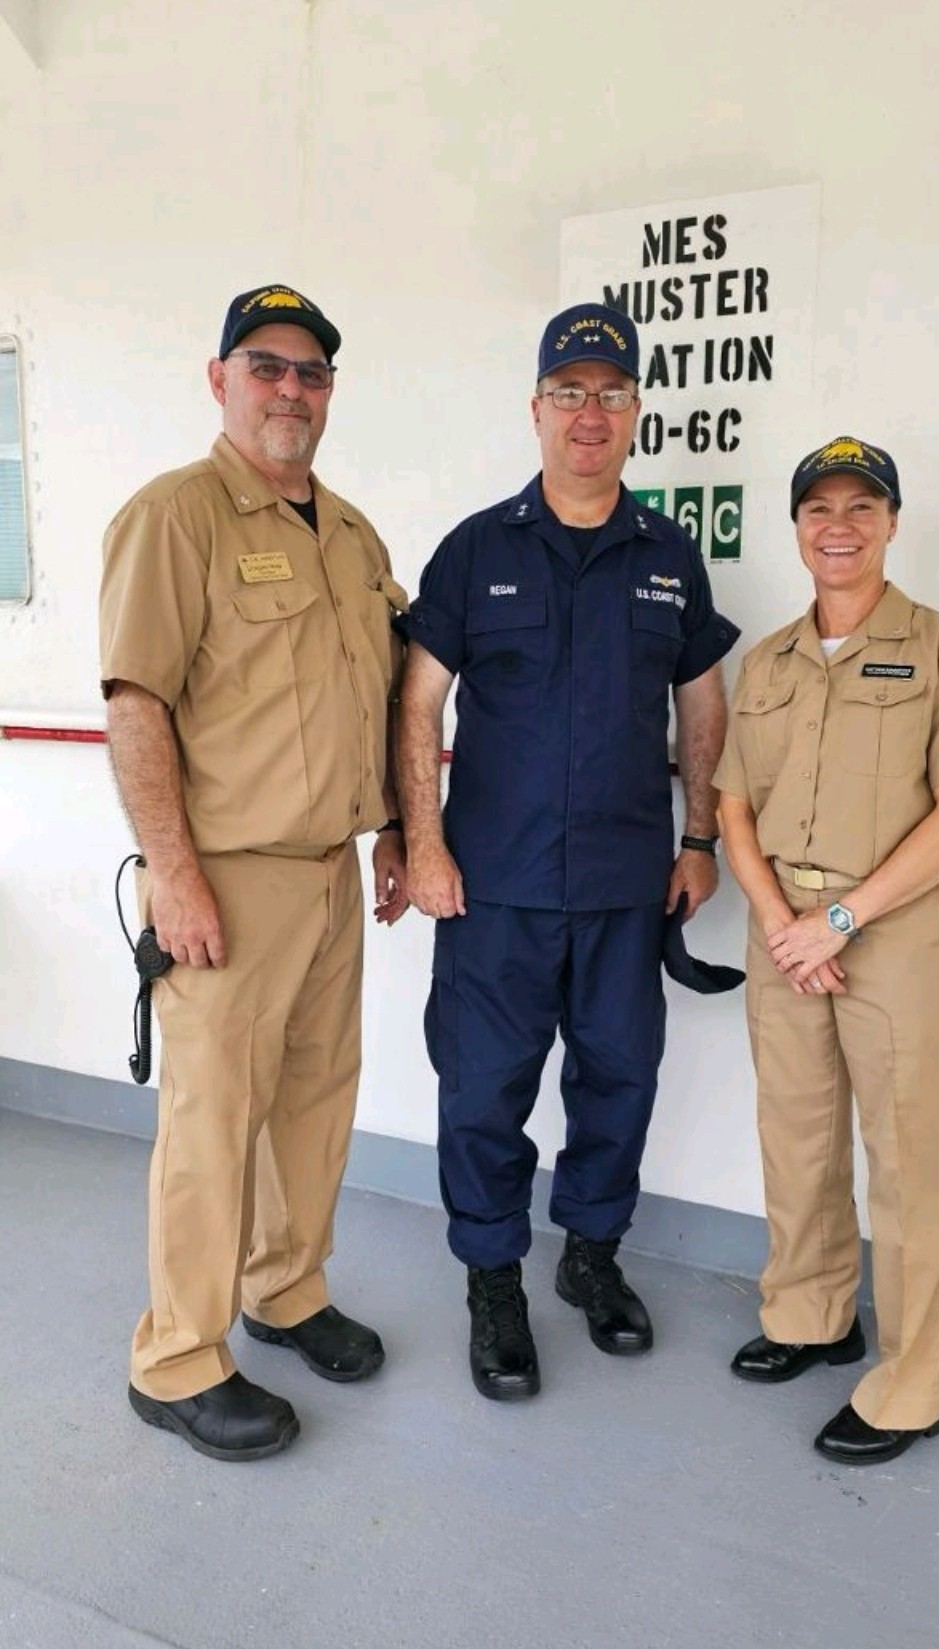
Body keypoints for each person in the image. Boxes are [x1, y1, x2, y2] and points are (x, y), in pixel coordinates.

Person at [396, 302, 739, 1401]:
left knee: (619, 1082)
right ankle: (494, 1276)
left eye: (609, 392)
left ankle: (589, 1256)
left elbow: (703, 700)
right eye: (568, 392)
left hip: (624, 886)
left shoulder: (668, 555)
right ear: (535, 409)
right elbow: (419, 709)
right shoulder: (476, 550)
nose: (589, 413)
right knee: (484, 1090)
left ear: (636, 412)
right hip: (491, 887)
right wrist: (424, 839)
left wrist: (697, 838)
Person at [100, 284, 409, 1461]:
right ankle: (177, 1356)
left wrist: (391, 832)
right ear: (220, 379)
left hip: (332, 873)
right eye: (267, 366)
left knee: (316, 1102)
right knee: (213, 1122)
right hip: (223, 878)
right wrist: (173, 877)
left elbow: (375, 696)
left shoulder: (351, 534)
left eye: (312, 372)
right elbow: (138, 707)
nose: (292, 389)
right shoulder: (176, 518)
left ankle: (286, 1290)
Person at [717, 435, 939, 1465]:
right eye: (818, 509)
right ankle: (811, 1318)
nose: (837, 526)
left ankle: (913, 1385)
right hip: (784, 936)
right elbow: (730, 807)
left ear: (892, 523)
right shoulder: (767, 660)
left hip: (895, 939)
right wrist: (779, 924)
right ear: (796, 527)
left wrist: (837, 922)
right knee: (796, 1143)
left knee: (908, 1164)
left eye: (860, 507)